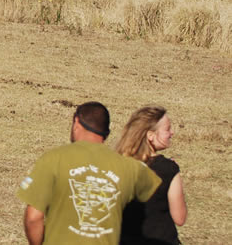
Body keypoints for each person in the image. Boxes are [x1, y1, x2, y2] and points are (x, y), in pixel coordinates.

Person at [16, 101, 161, 245]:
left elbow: (33, 218)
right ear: (107, 133)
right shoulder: (130, 168)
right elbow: (160, 202)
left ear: (76, 121)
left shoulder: (53, 159)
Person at [115, 106, 187, 244]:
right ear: (150, 135)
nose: (172, 133)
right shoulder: (168, 169)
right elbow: (180, 218)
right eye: (167, 129)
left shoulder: (116, 165)